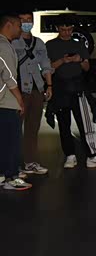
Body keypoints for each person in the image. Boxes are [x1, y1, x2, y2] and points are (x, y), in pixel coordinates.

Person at [46, 16, 96, 169]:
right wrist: (62, 61)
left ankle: (93, 155)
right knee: (64, 124)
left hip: (78, 87)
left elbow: (87, 67)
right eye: (63, 29)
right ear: (57, 29)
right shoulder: (50, 45)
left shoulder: (79, 44)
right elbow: (48, 68)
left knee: (86, 123)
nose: (66, 32)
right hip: (61, 88)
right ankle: (70, 155)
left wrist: (79, 60)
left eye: (69, 29)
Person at [12, 11, 53, 176]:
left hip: (37, 89)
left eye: (29, 19)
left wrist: (49, 85)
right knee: (14, 129)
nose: (26, 23)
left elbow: (46, 64)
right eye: (22, 20)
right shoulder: (12, 42)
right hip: (19, 90)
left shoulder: (39, 42)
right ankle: (12, 166)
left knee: (33, 128)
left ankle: (30, 162)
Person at [0, 13, 32, 191]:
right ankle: (11, 177)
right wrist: (20, 99)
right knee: (12, 141)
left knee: (3, 141)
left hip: (2, 101)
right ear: (9, 25)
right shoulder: (4, 46)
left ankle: (2, 175)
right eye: (19, 25)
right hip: (6, 101)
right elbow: (9, 76)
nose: (21, 29)